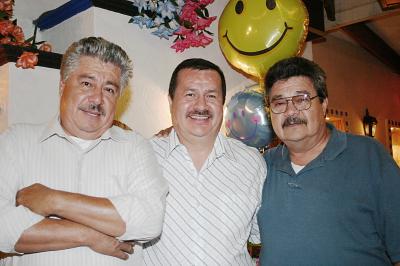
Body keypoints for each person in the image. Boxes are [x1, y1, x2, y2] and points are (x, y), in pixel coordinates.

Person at [0, 37, 168, 266]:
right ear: (62, 86)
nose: (97, 99)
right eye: (87, 84)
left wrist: (53, 200)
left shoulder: (135, 148)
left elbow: (149, 220)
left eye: (109, 89)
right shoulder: (17, 141)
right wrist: (89, 236)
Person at [258, 56, 400, 265]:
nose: (290, 111)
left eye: (302, 99)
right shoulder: (261, 167)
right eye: (279, 103)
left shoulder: (369, 156)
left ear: (323, 104)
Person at [143, 58, 267, 265]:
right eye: (190, 94)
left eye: (211, 96)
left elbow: (262, 237)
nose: (201, 105)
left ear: (222, 104)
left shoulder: (252, 163)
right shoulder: (143, 157)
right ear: (171, 101)